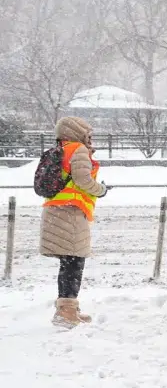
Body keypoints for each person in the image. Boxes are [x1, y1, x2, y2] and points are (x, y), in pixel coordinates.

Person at [40, 116, 109, 328]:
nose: (90, 138)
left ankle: (67, 308)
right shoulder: (77, 150)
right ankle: (66, 312)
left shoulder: (62, 149)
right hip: (70, 213)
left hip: (56, 212)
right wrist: (102, 190)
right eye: (88, 133)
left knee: (68, 263)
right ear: (77, 132)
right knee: (74, 262)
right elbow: (83, 180)